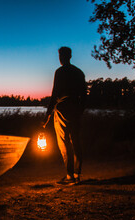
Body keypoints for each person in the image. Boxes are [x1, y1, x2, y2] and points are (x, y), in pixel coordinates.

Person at [43, 46, 87, 185]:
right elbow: (84, 94)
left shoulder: (60, 72)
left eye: (61, 56)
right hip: (75, 110)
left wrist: (48, 115)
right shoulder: (79, 72)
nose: (60, 58)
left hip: (62, 111)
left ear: (66, 56)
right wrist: (80, 110)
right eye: (60, 55)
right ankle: (76, 174)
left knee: (64, 143)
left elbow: (54, 93)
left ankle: (70, 176)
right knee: (76, 141)